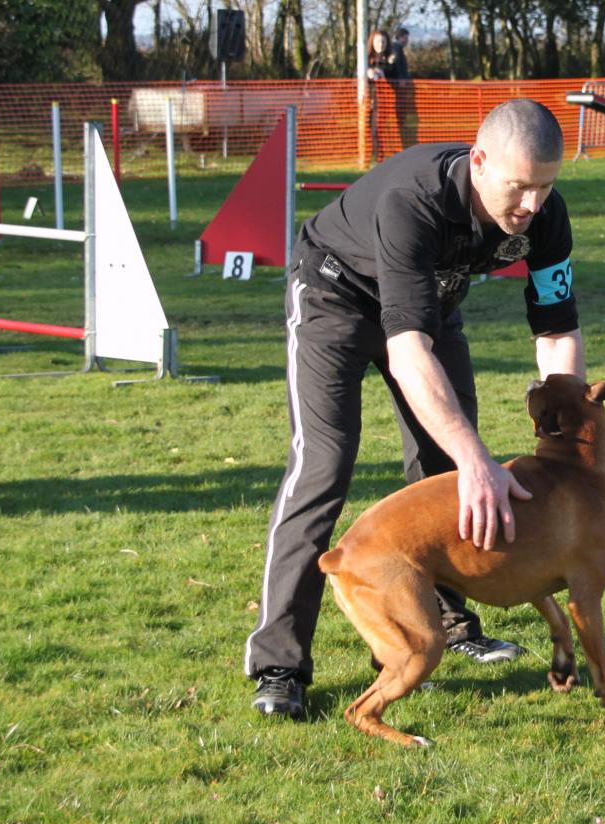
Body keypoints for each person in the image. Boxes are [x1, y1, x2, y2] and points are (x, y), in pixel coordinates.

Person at [244, 99, 584, 718]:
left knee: (444, 469)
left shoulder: (546, 214)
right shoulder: (415, 201)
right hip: (336, 296)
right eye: (519, 186)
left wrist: (570, 435)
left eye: (545, 186)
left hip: (429, 307)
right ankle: (279, 664)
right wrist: (478, 461)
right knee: (324, 466)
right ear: (479, 162)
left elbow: (557, 331)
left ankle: (448, 624)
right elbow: (407, 355)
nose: (532, 204)